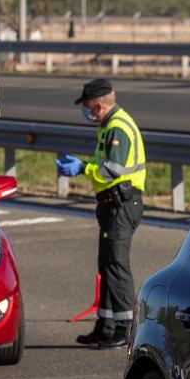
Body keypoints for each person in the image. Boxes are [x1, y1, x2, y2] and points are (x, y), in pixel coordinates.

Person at [56, 79, 146, 349]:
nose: (87, 112)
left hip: (122, 203)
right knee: (106, 265)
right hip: (111, 203)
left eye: (88, 107)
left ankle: (125, 328)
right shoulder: (108, 126)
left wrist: (82, 168)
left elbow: (113, 170)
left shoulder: (118, 127)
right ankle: (105, 326)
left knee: (117, 266)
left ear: (98, 105)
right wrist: (84, 166)